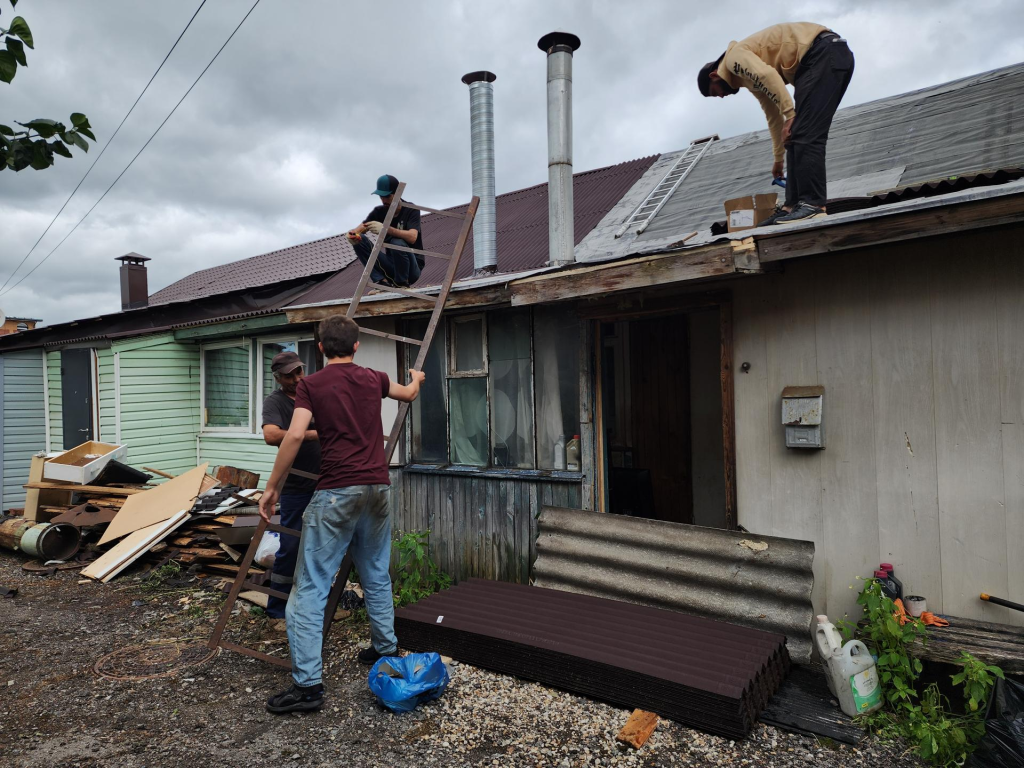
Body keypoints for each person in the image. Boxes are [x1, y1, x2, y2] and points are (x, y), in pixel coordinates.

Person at [259, 315, 425, 714]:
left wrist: (271, 488)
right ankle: (385, 648)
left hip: (336, 492)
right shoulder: (374, 377)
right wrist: (417, 377)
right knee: (375, 572)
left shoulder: (311, 385)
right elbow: (408, 393)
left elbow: (294, 434)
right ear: (356, 347)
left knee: (311, 587)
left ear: (319, 349)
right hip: (377, 488)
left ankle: (308, 687)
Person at [697, 22, 855, 225]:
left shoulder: (733, 59)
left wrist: (790, 115)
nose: (721, 97)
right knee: (795, 135)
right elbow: (772, 114)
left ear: (714, 76)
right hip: (823, 59)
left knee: (805, 134)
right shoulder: (745, 77)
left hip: (820, 54)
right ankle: (792, 206)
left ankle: (813, 205)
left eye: (715, 93)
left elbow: (768, 75)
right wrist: (778, 159)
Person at [260, 351, 321, 628]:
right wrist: (310, 434)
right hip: (295, 485)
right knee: (292, 546)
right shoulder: (275, 401)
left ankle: (312, 602)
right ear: (278, 378)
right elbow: (271, 435)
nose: (297, 379)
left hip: (324, 482)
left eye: (299, 372)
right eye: (290, 375)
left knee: (320, 546)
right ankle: (277, 607)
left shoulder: (313, 394)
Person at [347, 174, 425, 288]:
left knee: (397, 242)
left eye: (387, 196)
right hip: (391, 265)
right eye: (381, 197)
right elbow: (360, 229)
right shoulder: (379, 212)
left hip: (412, 269)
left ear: (397, 194)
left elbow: (412, 237)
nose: (383, 200)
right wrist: (351, 235)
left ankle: (402, 283)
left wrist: (386, 230)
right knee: (360, 240)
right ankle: (381, 282)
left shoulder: (410, 210)